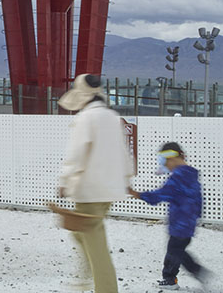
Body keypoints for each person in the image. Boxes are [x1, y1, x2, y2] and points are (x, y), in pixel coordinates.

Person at [57, 73, 134, 293]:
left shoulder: (85, 118)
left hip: (89, 190)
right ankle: (85, 278)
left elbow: (76, 153)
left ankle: (104, 288)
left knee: (94, 243)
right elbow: (123, 151)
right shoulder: (111, 116)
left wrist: (65, 180)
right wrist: (126, 178)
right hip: (109, 189)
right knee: (82, 234)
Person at [131, 142, 210, 288]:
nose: (165, 167)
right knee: (176, 250)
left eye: (165, 163)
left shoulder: (178, 178)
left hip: (180, 223)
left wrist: (138, 194)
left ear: (171, 158)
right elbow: (199, 200)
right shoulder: (191, 176)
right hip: (188, 222)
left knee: (175, 251)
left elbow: (160, 195)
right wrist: (195, 217)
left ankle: (191, 272)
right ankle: (171, 278)